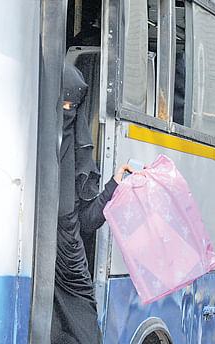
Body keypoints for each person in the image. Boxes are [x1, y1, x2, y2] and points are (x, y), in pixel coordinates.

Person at [51, 63, 132, 344]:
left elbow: (86, 220)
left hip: (71, 265)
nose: (67, 110)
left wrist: (113, 186)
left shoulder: (78, 158)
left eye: (72, 105)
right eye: (61, 103)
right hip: (33, 258)